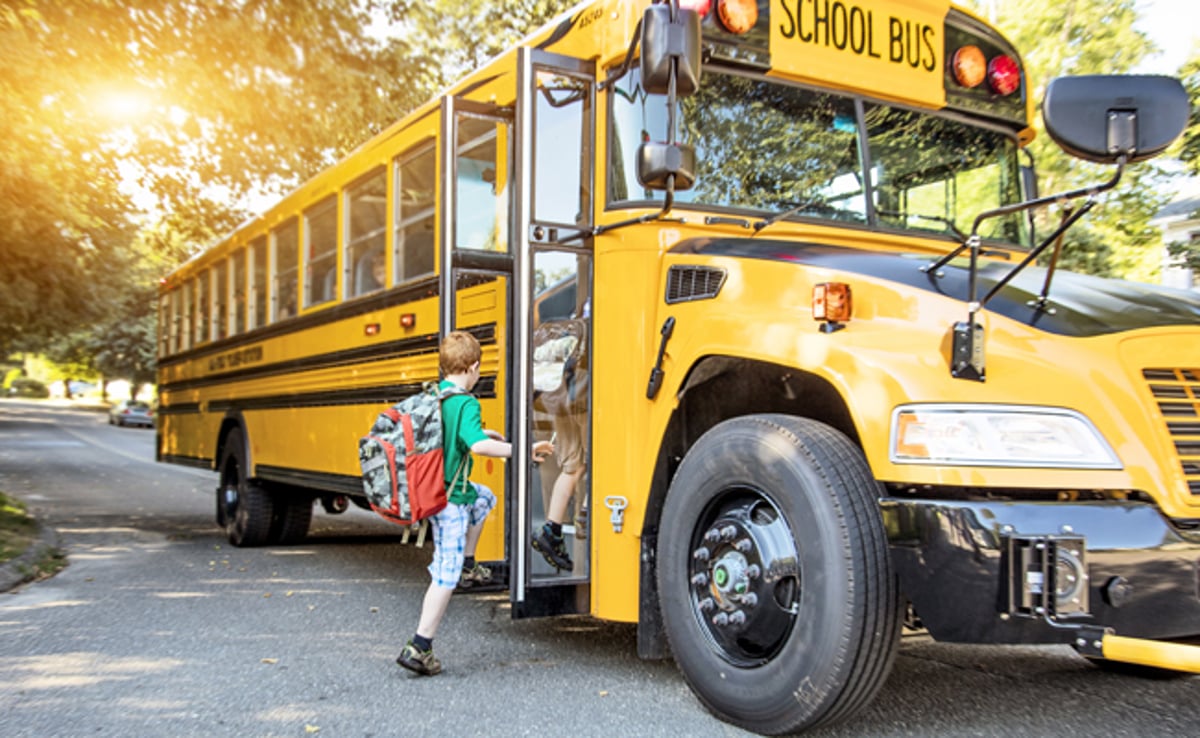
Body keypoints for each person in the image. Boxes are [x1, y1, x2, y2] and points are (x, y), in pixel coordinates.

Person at [397, 330, 553, 676]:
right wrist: (521, 450)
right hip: (449, 504)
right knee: (444, 576)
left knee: (484, 498)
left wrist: (487, 434)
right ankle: (419, 646)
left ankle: (469, 562)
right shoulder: (467, 401)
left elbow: (467, 437)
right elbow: (477, 447)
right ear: (474, 367)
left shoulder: (437, 395)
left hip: (439, 492)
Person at [530, 318, 589, 572]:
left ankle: (551, 529)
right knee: (597, 458)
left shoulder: (568, 328)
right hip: (584, 398)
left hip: (561, 402)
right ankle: (585, 513)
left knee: (571, 467)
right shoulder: (599, 322)